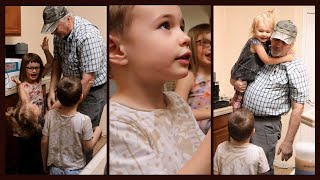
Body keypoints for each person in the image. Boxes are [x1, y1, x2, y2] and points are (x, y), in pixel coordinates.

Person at [109, 5, 211, 174]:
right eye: (165, 25)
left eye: (182, 27)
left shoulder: (177, 103)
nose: (186, 37)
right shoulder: (118, 123)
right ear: (117, 50)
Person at [230, 20, 308, 175]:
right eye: (276, 39)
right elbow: (237, 71)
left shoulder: (296, 67)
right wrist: (234, 82)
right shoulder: (260, 54)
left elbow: (298, 108)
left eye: (283, 42)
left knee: (262, 170)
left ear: (291, 44)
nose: (277, 44)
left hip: (265, 126)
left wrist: (288, 142)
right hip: (243, 119)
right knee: (240, 166)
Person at [41, 6, 107, 128]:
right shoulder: (59, 35)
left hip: (92, 89)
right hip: (71, 88)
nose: (53, 32)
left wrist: (63, 104)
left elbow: (88, 79)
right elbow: (57, 61)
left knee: (84, 129)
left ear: (68, 19)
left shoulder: (88, 36)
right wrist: (51, 90)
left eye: (55, 27)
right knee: (68, 128)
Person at [230, 10, 294, 112]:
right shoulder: (255, 42)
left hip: (249, 76)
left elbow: (287, 46)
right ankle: (236, 115)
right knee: (239, 98)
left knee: (242, 96)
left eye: (268, 32)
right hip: (242, 74)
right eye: (260, 31)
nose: (264, 34)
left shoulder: (266, 41)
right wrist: (286, 58)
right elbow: (267, 60)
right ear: (254, 30)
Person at [41, 76, 102, 175]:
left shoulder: (50, 115)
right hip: (76, 169)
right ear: (81, 97)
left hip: (54, 168)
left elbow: (44, 141)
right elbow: (88, 147)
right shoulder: (84, 120)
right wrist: (98, 131)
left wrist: (44, 163)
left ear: (58, 97)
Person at [175, 23, 211, 134]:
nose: (211, 47)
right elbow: (177, 112)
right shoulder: (188, 76)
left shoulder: (212, 77)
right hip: (194, 139)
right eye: (205, 42)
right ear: (192, 47)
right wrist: (209, 112)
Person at [213, 108, 269, 175]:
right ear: (253, 132)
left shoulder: (220, 148)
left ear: (228, 131)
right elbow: (263, 173)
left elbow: (215, 172)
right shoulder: (258, 152)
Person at [12, 41, 53, 125]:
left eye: (37, 68)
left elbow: (50, 62)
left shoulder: (38, 79)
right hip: (29, 121)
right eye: (30, 68)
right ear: (24, 68)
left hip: (39, 118)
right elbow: (26, 105)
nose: (34, 71)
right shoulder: (22, 87)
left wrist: (46, 50)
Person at [5, 102, 43, 174]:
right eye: (34, 106)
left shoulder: (20, 126)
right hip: (36, 165)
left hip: (23, 163)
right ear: (35, 118)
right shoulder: (38, 130)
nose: (34, 104)